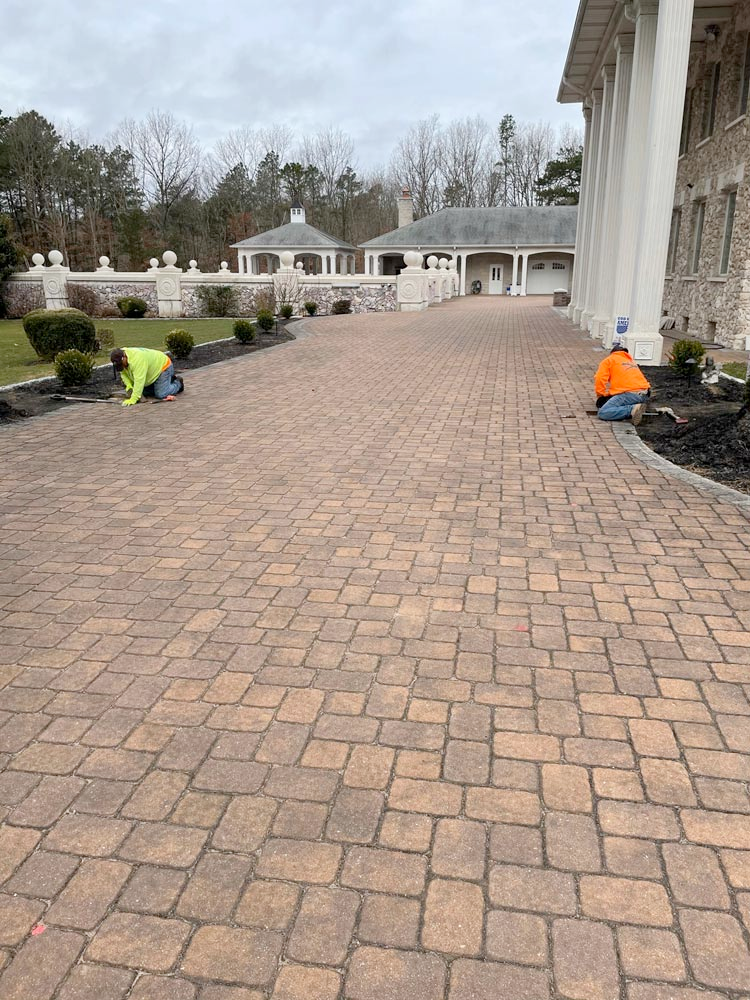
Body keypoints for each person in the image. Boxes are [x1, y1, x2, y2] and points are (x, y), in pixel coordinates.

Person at [595, 343, 651, 425]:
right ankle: (637, 406)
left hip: (629, 394)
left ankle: (632, 409)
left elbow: (600, 378)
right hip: (645, 395)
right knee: (616, 400)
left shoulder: (609, 360)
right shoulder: (630, 361)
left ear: (612, 353)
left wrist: (600, 395)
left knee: (603, 412)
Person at [111, 348, 184, 407]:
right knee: (141, 392)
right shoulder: (119, 356)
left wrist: (133, 399)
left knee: (161, 394)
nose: (122, 367)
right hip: (152, 371)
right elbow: (123, 373)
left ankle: (178, 383)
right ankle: (163, 384)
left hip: (163, 366)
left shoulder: (137, 360)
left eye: (121, 364)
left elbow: (139, 381)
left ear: (124, 357)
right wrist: (129, 386)